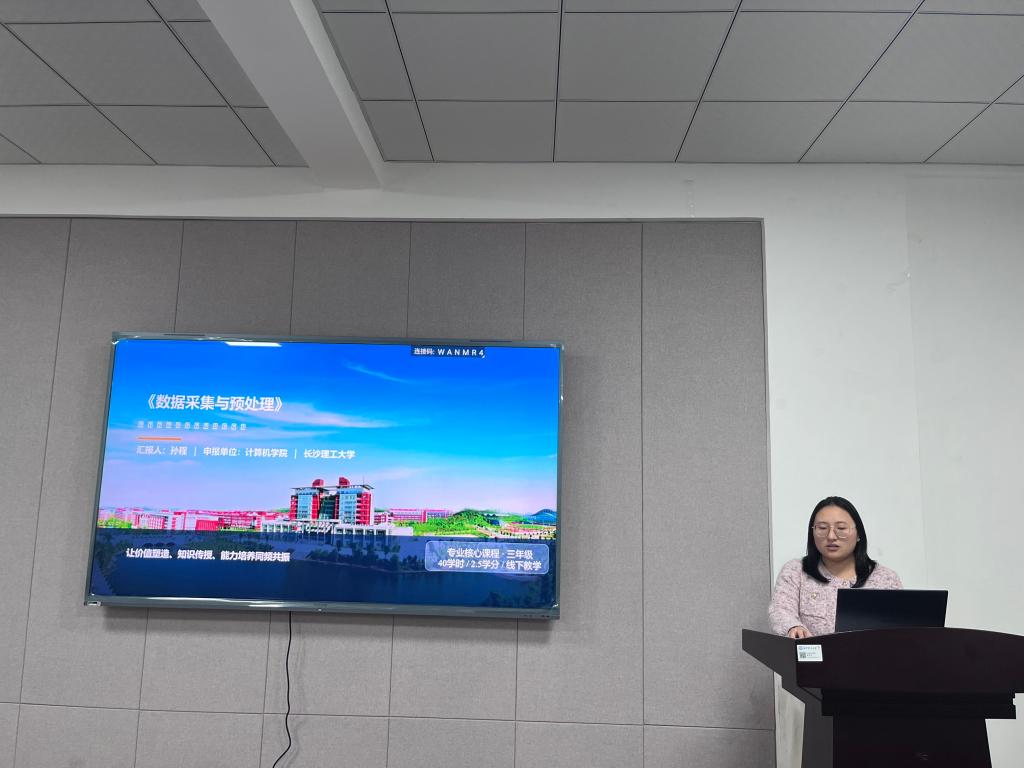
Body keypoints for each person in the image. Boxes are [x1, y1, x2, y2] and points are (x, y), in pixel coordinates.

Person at [769, 495, 902, 638]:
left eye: (841, 528)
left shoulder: (885, 578)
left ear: (858, 534)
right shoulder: (795, 571)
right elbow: (781, 610)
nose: (831, 536)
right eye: (822, 528)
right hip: (814, 652)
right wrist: (793, 626)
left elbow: (900, 625)